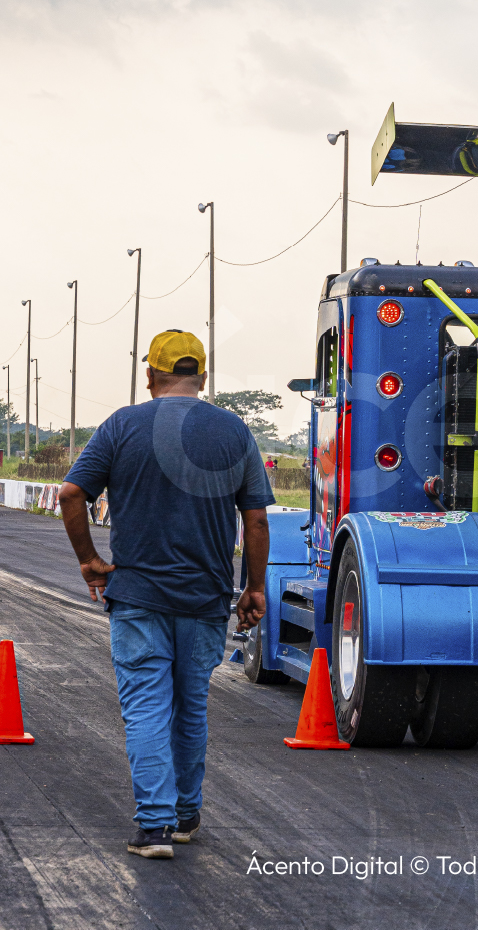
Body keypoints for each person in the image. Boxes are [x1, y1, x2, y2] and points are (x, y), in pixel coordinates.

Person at [57, 330, 275, 860]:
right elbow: (257, 518)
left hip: (137, 595)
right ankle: (184, 817)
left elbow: (70, 494)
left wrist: (90, 561)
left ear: (149, 374)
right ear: (202, 375)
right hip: (203, 597)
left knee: (146, 707)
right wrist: (253, 587)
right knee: (189, 705)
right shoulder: (233, 431)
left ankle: (153, 827)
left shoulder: (121, 426)